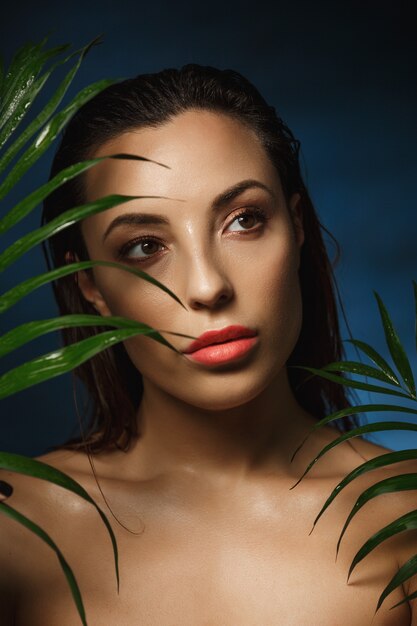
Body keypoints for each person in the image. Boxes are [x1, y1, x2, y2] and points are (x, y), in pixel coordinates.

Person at [0, 64, 415, 625]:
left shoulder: (404, 516)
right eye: (145, 246)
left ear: (296, 229)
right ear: (91, 286)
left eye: (243, 220)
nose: (207, 286)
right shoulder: (18, 526)